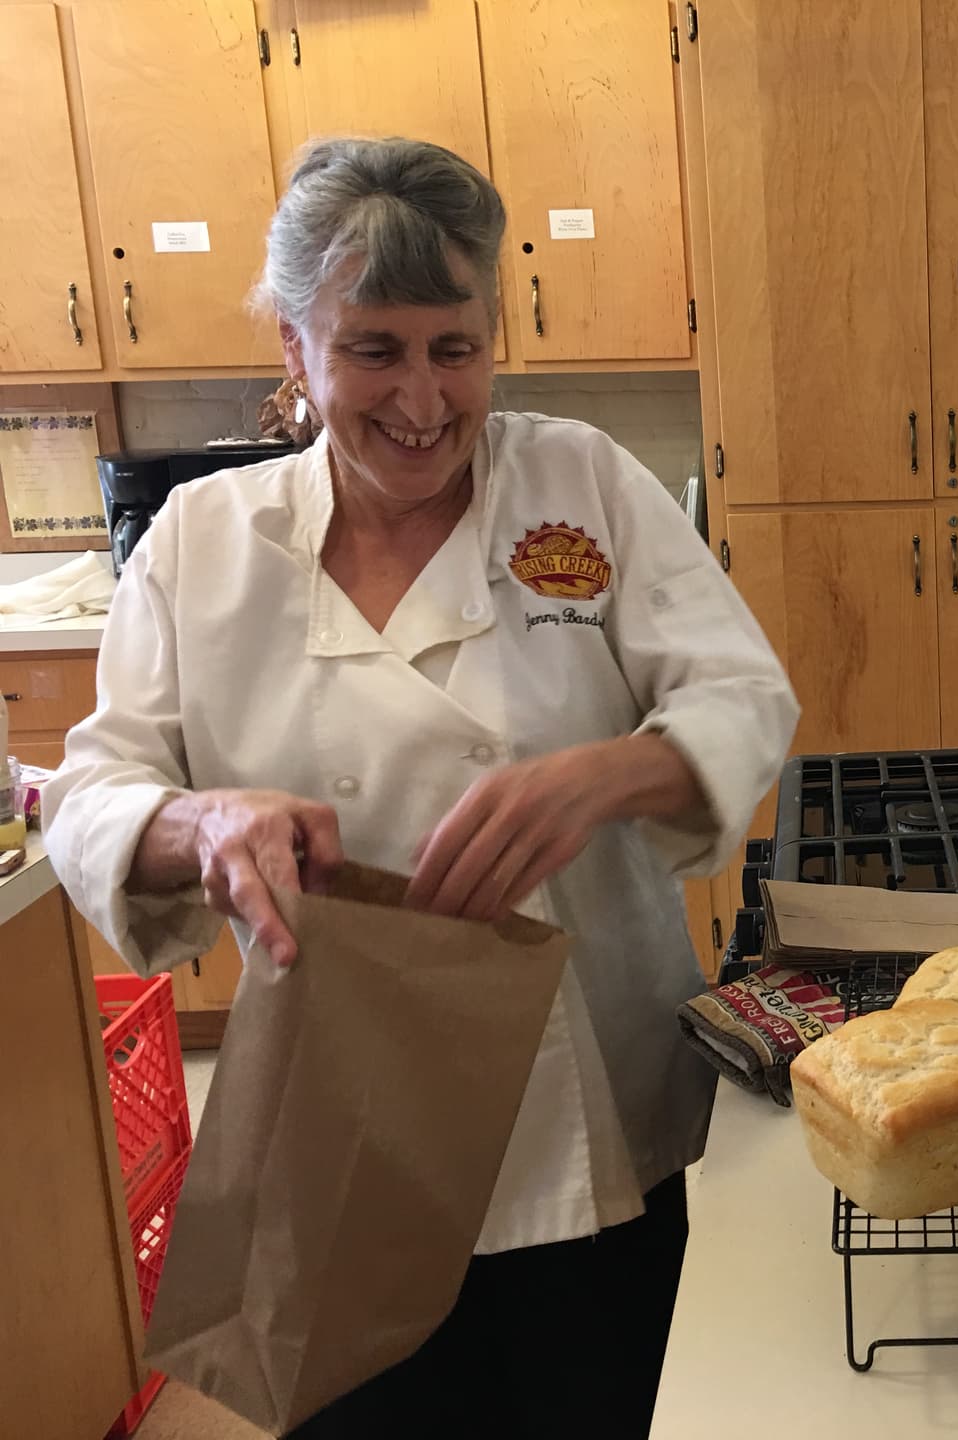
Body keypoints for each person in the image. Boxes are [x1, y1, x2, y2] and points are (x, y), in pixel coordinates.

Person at [44, 136, 798, 1436]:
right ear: (295, 344)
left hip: (596, 1115)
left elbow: (743, 696)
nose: (422, 398)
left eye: (455, 348)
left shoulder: (580, 487)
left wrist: (617, 771)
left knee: (603, 1403)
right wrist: (201, 821)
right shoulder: (203, 549)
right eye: (372, 350)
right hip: (346, 1133)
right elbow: (99, 787)